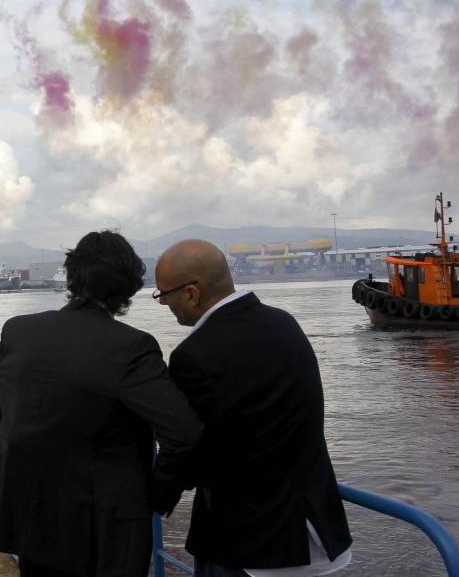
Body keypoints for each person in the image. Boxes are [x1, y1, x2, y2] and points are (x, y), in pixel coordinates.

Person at [0, 230, 203, 577]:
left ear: (73, 278)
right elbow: (183, 433)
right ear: (130, 287)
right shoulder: (132, 348)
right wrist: (157, 494)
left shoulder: (22, 331)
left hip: (32, 508)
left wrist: (10, 430)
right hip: (103, 527)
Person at [151, 239, 352, 577]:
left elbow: (188, 449)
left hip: (247, 543)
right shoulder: (284, 324)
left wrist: (151, 498)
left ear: (191, 294)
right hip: (315, 534)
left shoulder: (194, 355)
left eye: (163, 295)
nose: (165, 304)